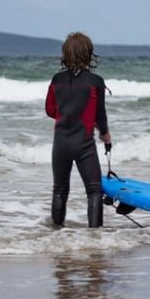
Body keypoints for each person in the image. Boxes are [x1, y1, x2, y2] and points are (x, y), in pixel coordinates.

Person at [45, 32, 111, 229]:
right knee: (94, 191)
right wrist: (105, 135)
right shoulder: (95, 81)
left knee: (59, 190)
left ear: (65, 53)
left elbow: (50, 109)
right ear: (88, 54)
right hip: (84, 144)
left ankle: (56, 234)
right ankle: (95, 238)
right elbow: (100, 115)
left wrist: (66, 114)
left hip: (61, 143)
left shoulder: (56, 79)